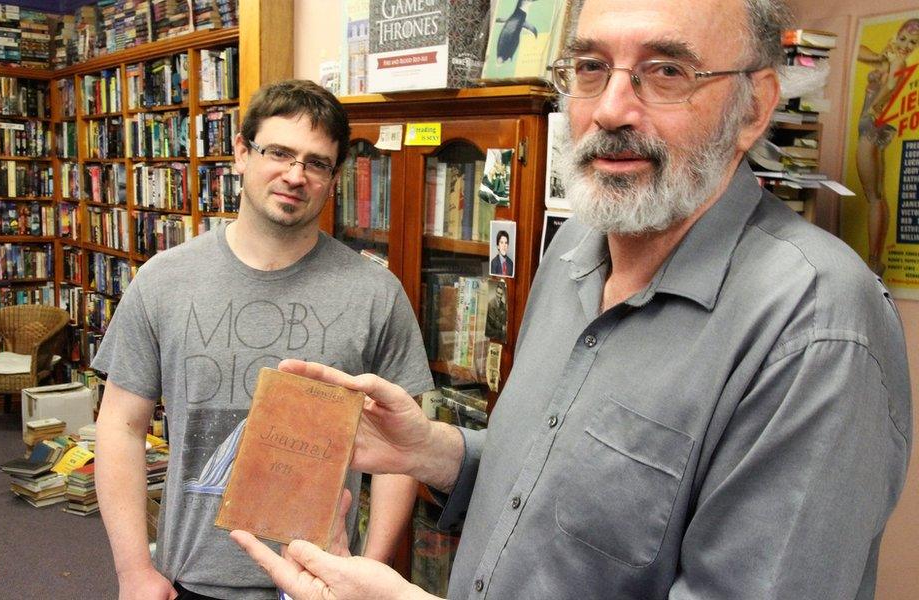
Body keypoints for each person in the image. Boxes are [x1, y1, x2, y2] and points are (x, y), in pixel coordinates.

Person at [230, 1, 912, 599]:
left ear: (755, 107)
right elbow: (558, 481)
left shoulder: (817, 327)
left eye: (667, 71)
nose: (611, 109)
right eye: (590, 67)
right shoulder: (573, 251)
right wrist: (434, 451)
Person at [93, 80, 434, 600]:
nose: (295, 175)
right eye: (279, 152)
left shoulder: (375, 294)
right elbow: (120, 425)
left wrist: (369, 569)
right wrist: (133, 570)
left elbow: (400, 453)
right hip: (192, 580)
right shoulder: (164, 281)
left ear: (333, 178)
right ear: (241, 153)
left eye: (317, 163)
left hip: (324, 584)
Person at [854, 19, 919, 275]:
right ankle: (874, 260)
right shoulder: (887, 58)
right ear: (896, 35)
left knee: (873, 196)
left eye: (912, 43)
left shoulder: (898, 62)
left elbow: (892, 84)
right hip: (870, 126)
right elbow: (860, 51)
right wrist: (883, 55)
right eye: (903, 39)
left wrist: (873, 108)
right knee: (875, 194)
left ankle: (873, 261)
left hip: (872, 127)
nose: (905, 46)